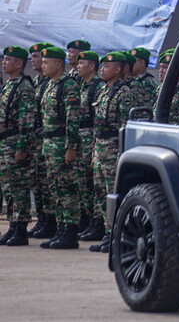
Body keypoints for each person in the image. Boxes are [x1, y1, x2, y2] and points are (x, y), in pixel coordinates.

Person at [37, 46, 81, 250]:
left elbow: (73, 119)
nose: (43, 65)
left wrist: (71, 147)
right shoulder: (50, 85)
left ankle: (70, 232)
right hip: (50, 144)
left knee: (67, 189)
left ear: (58, 64)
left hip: (62, 144)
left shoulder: (68, 85)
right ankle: (61, 230)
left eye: (47, 62)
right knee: (55, 188)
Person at [89, 52, 134, 254]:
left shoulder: (124, 93)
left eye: (107, 67)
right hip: (100, 150)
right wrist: (93, 153)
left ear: (118, 69)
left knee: (113, 194)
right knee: (100, 193)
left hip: (114, 149)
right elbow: (96, 126)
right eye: (102, 66)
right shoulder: (102, 92)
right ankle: (107, 234)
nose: (102, 70)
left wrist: (121, 156)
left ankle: (117, 236)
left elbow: (127, 127)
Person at [0, 46, 35, 247]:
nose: (4, 63)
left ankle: (21, 229)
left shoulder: (24, 86)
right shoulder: (9, 85)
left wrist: (21, 147)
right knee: (8, 186)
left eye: (9, 60)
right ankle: (13, 225)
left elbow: (26, 119)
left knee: (19, 186)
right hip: (5, 141)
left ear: (20, 64)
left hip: (15, 142)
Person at [27, 42, 55, 239]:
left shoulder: (54, 83)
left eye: (37, 57)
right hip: (37, 138)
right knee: (38, 182)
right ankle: (42, 219)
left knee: (49, 182)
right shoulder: (36, 82)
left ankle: (51, 222)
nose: (35, 61)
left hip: (48, 139)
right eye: (35, 58)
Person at [74, 50, 102, 240]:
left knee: (94, 185)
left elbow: (97, 120)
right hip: (81, 140)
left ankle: (96, 223)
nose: (78, 66)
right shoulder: (81, 86)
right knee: (83, 183)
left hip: (92, 138)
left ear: (92, 66)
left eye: (82, 63)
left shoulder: (97, 87)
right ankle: (86, 221)